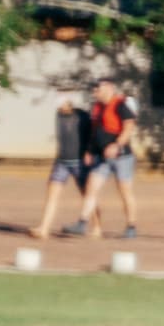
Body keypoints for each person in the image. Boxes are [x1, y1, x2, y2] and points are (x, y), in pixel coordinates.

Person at [29, 75, 137, 240]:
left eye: (97, 88)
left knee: (124, 192)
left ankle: (131, 226)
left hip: (122, 157)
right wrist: (89, 150)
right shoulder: (97, 107)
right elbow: (94, 132)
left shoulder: (120, 104)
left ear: (109, 88)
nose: (95, 91)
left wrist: (117, 145)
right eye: (94, 88)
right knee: (91, 188)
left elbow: (129, 127)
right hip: (101, 157)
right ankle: (82, 223)